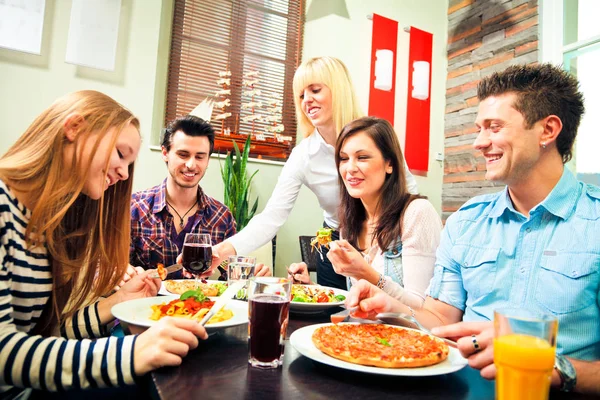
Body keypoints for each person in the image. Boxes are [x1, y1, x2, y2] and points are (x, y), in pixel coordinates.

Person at [345, 64, 600, 394]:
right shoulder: (467, 221)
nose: (480, 143)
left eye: (494, 128)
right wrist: (395, 307)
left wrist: (550, 364)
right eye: (479, 129)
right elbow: (441, 319)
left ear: (547, 131)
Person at [0, 91, 207, 397]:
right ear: (74, 129)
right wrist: (131, 353)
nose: (124, 173)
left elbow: (46, 338)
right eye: (121, 154)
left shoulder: (46, 226)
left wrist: (115, 303)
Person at [213, 56, 418, 289]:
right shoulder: (304, 155)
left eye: (315, 90)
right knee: (335, 315)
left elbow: (409, 195)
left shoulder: (376, 136)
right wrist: (220, 251)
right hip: (336, 240)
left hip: (385, 238)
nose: (306, 100)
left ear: (339, 90)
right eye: (301, 95)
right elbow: (271, 217)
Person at [289, 117, 441, 307]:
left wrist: (365, 273)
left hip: (405, 336)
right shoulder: (349, 223)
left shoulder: (416, 213)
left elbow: (422, 310)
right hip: (362, 332)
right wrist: (310, 289)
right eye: (344, 159)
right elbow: (355, 303)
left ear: (390, 164)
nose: (350, 168)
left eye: (362, 157)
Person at [129, 115, 270, 279]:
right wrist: (124, 272)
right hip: (145, 303)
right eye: (183, 154)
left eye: (200, 156)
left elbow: (231, 277)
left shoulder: (221, 217)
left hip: (200, 303)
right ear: (165, 153)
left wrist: (252, 275)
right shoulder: (135, 208)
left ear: (208, 159)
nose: (191, 165)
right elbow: (111, 269)